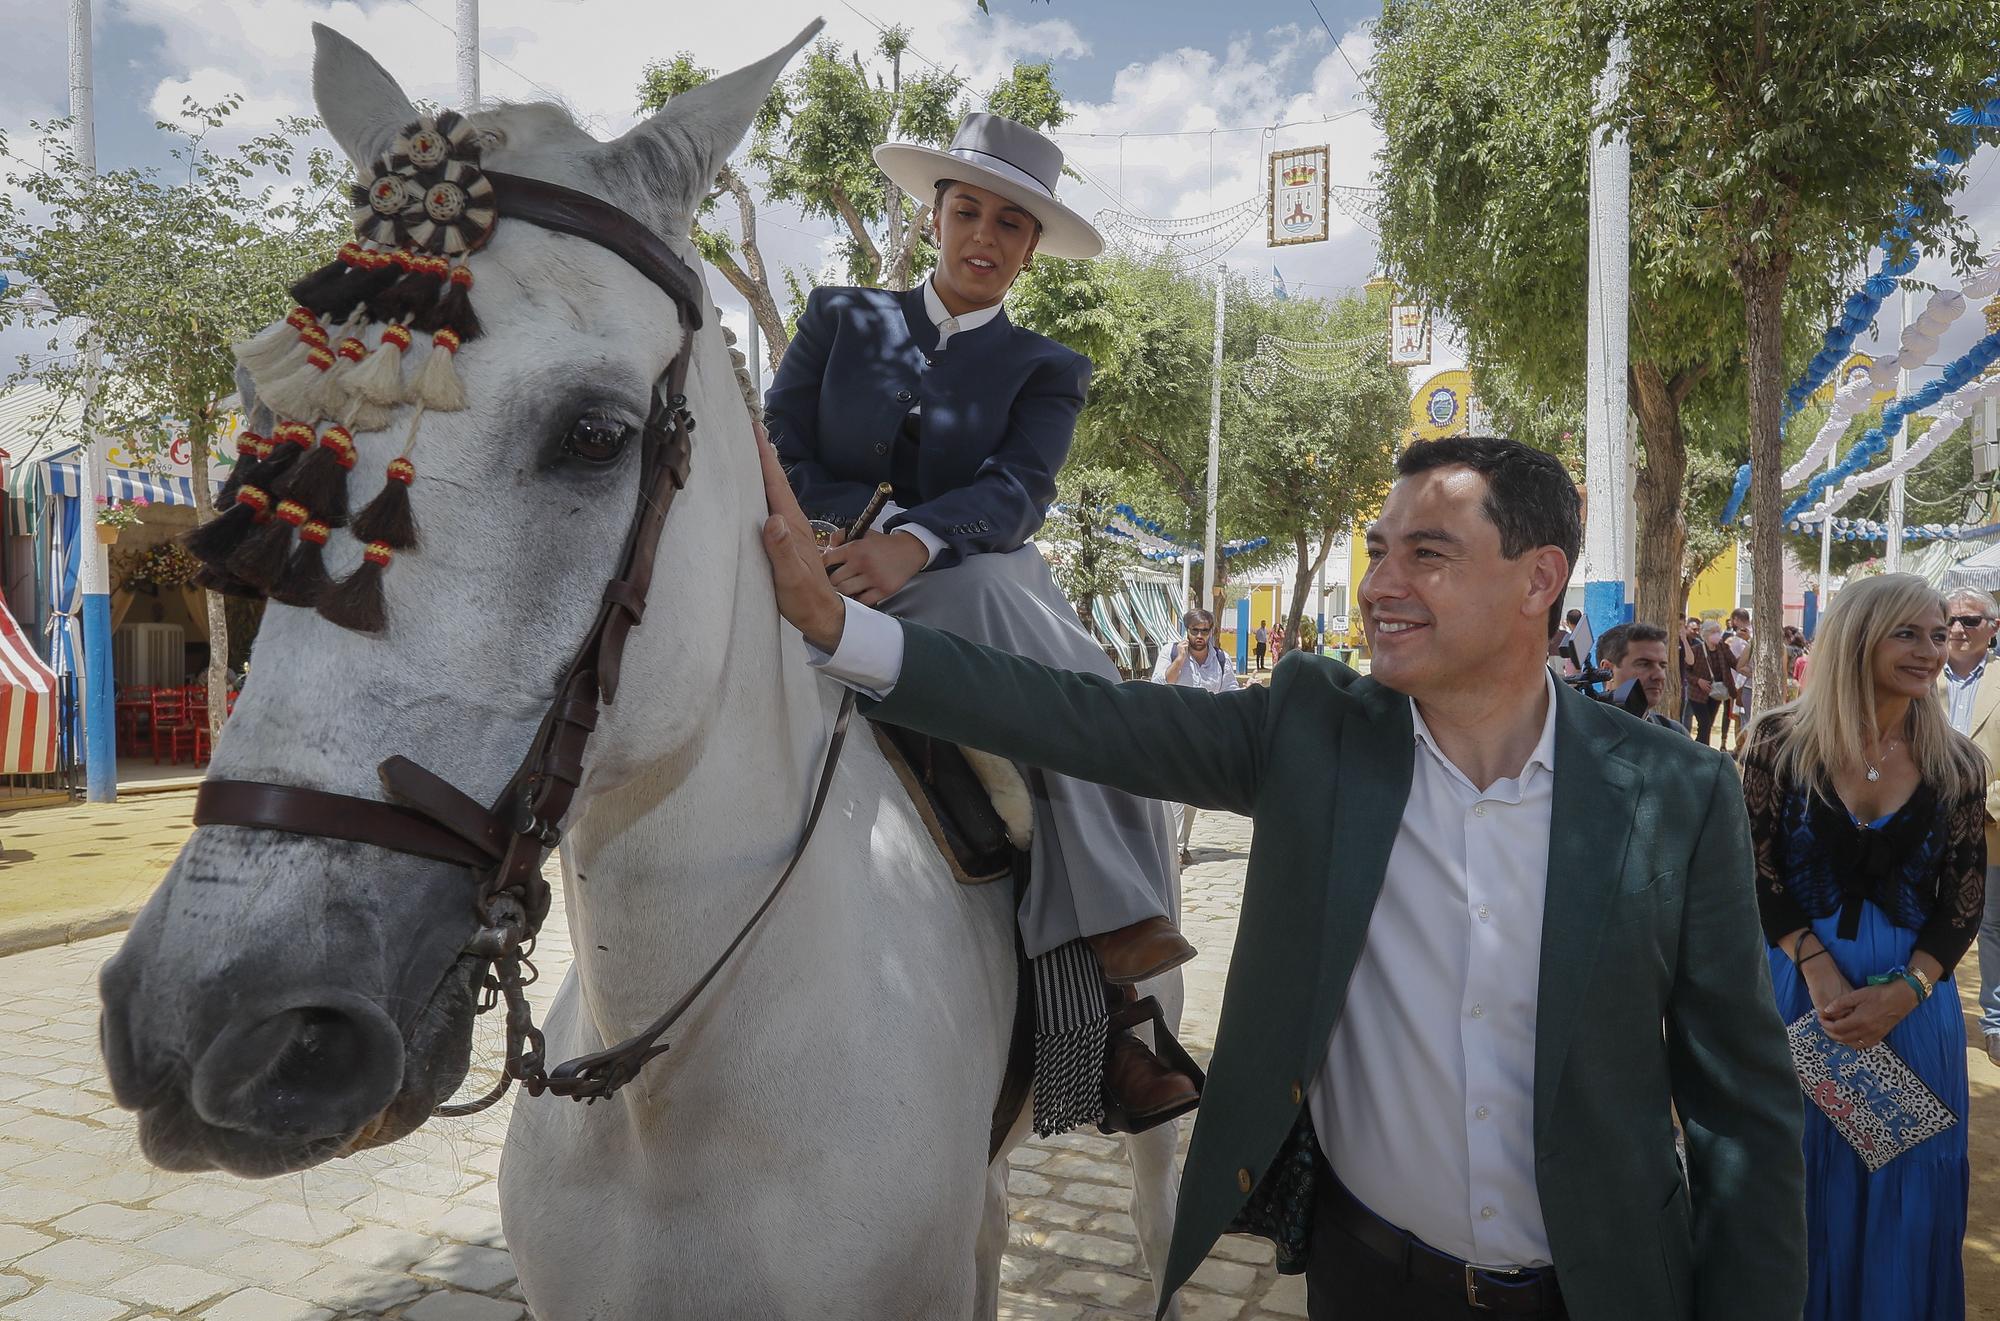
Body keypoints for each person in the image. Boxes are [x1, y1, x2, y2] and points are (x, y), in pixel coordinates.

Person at [760, 432, 1806, 1319]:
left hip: (1606, 1287)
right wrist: (837, 627)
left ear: (1536, 578)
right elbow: (1077, 716)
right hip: (1367, 1281)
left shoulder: (1674, 793)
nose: (1380, 585)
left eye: (1426, 554)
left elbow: (1740, 1111)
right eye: (1376, 550)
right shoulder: (1313, 729)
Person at [762, 110, 1196, 1136]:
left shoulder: (1046, 367)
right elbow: (778, 441)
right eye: (968, 212)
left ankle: (1116, 996)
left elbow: (1017, 489)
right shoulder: (837, 316)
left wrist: (908, 544)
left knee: (1051, 658)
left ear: (1030, 248)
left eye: (1011, 225)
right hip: (814, 560)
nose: (984, 239)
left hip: (963, 582)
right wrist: (840, 538)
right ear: (935, 211)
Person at [1736, 574, 1983, 1321]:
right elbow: (1750, 869)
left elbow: (1963, 903)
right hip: (1799, 996)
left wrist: (1905, 992)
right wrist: (1813, 965)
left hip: (1915, 1005)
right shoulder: (1778, 743)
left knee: (1912, 1191)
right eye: (1907, 633)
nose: (1930, 650)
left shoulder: (1959, 765)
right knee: (1801, 1186)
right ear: (1857, 636)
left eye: (1938, 633)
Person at [1936, 587, 2000, 1067]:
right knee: (1917, 916)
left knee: (1993, 926)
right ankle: (1922, 1014)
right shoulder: (1918, 672)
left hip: (1991, 826)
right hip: (1921, 824)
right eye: (1951, 620)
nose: (1958, 628)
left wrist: (1983, 803)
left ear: (1993, 628)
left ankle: (1995, 1023)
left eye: (1970, 621)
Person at [1152, 608, 1236, 866]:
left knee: (1193, 795)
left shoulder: (1220, 659)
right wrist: (1180, 660)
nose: (1199, 636)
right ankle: (1174, 850)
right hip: (1175, 733)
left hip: (1204, 737)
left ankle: (1183, 845)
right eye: (1194, 630)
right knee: (1176, 793)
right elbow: (1159, 685)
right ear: (1186, 630)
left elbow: (1230, 691)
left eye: (1205, 631)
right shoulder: (1171, 651)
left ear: (1212, 631)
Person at [1598, 622, 1686, 733]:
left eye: (1662, 666)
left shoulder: (1675, 733)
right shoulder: (1580, 732)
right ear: (1607, 670)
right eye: (1644, 664)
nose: (1660, 676)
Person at [1680, 617, 1724, 744]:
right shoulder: (1697, 650)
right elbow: (1686, 671)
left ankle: (1703, 749)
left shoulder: (1723, 650)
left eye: (1718, 631)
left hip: (1715, 694)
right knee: (1704, 724)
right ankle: (1700, 751)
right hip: (1697, 694)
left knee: (1708, 725)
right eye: (1713, 632)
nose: (1716, 635)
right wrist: (1698, 681)